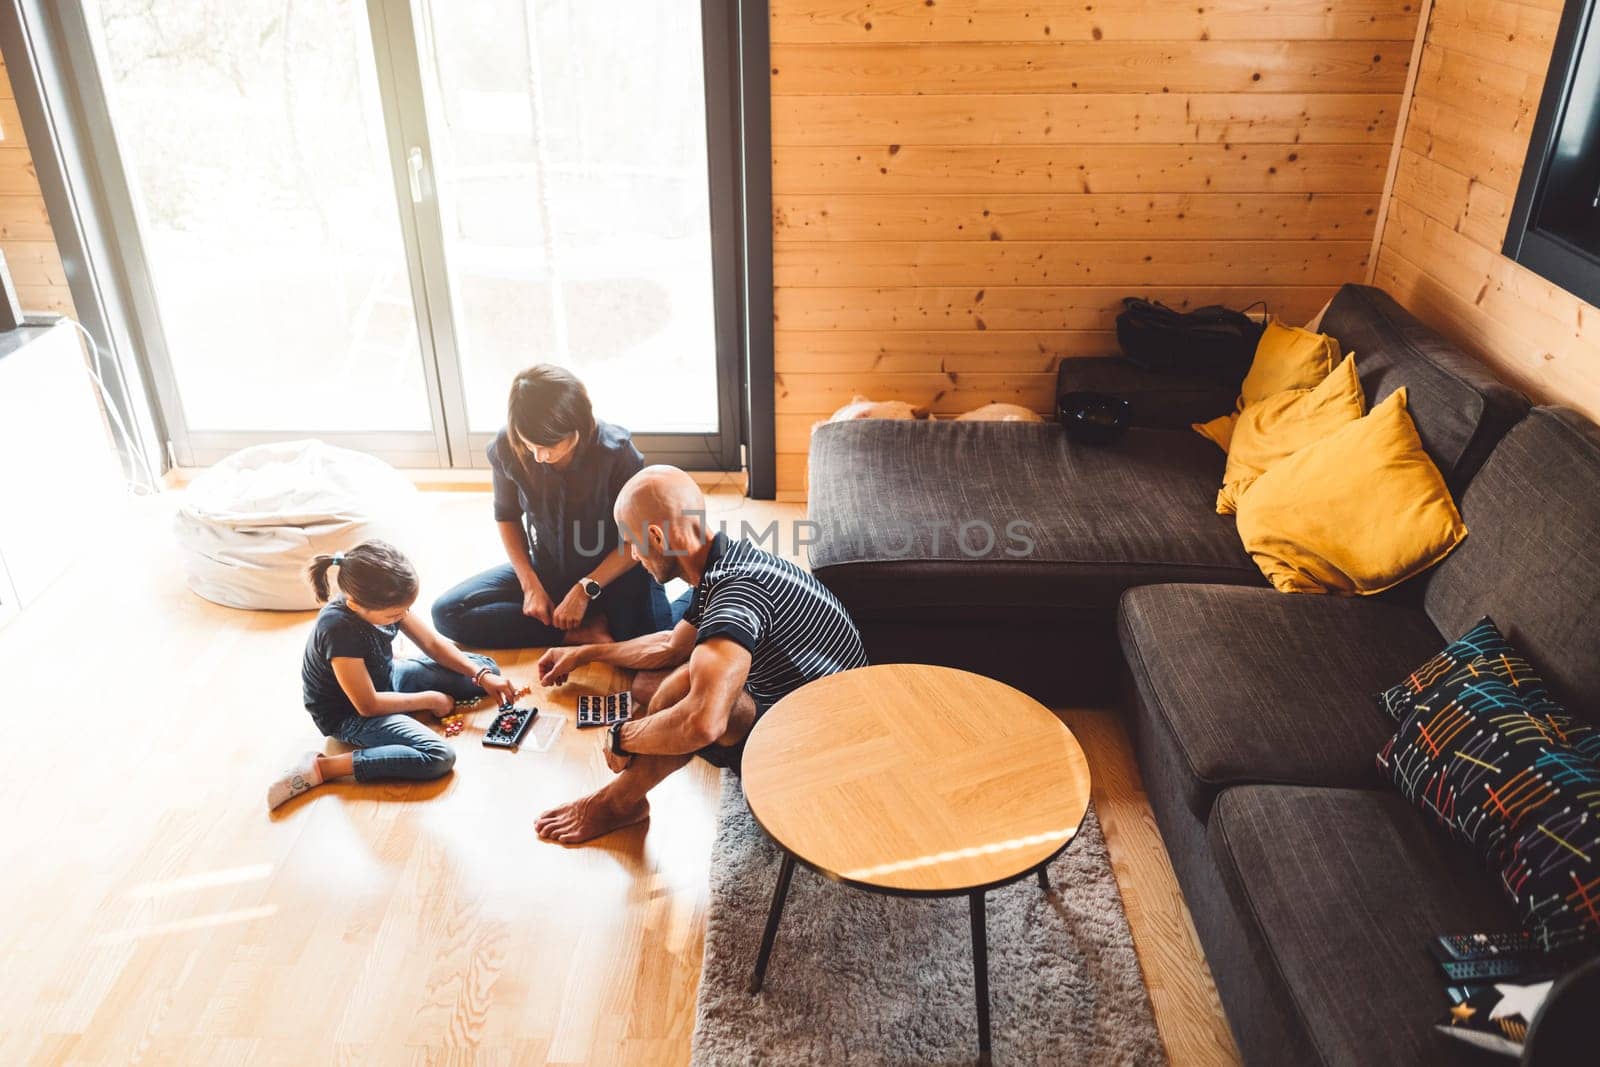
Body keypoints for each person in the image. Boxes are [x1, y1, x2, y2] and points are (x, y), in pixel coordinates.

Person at [533, 465, 868, 844]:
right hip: (824, 707)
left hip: (831, 753)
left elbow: (703, 722)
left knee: (693, 699)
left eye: (633, 543)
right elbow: (671, 645)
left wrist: (622, 736)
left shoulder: (733, 595)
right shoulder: (725, 562)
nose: (635, 556)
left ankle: (614, 803)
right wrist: (584, 654)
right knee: (682, 675)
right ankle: (628, 797)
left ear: (656, 538)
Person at [267, 540, 519, 810]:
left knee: (487, 668)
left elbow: (432, 644)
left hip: (387, 677)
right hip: (350, 714)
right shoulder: (337, 629)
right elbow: (368, 705)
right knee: (439, 756)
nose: (403, 616)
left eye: (405, 610)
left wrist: (480, 675)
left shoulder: (384, 602)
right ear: (355, 605)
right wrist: (431, 699)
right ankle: (322, 767)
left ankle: (414, 685)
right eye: (395, 614)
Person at [431, 365, 670, 649]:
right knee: (446, 613)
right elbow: (506, 516)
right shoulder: (508, 445)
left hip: (613, 571)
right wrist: (530, 584)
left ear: (578, 426)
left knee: (653, 643)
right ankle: (577, 632)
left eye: (550, 446)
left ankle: (598, 616)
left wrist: (585, 589)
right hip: (549, 567)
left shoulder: (617, 453)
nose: (540, 456)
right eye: (531, 445)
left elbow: (639, 541)